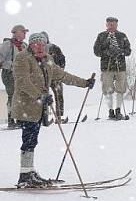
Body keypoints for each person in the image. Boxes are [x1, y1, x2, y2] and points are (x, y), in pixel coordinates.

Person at [11, 32, 94, 187]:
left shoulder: (48, 59)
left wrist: (84, 83)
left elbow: (63, 75)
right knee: (29, 140)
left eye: (43, 44)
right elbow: (23, 82)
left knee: (32, 140)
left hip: (38, 108)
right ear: (31, 45)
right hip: (26, 106)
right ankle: (25, 176)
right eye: (37, 44)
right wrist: (40, 95)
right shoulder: (22, 58)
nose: (41, 47)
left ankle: (28, 172)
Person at [93, 17, 132, 120]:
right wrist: (106, 52)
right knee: (107, 89)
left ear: (117, 25)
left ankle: (118, 109)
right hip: (107, 67)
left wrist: (120, 51)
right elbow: (96, 51)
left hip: (120, 67)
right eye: (109, 24)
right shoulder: (101, 36)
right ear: (106, 25)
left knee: (120, 88)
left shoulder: (122, 36)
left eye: (113, 24)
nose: (111, 26)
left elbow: (128, 51)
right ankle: (110, 111)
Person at [0, 24, 28, 129]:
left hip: (20, 75)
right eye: (23, 31)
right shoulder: (8, 44)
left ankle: (20, 120)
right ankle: (11, 120)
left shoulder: (24, 46)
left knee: (20, 96)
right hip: (9, 73)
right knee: (13, 96)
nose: (25, 33)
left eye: (25, 32)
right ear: (15, 32)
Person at [41, 31, 67, 122]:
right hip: (43, 77)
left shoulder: (55, 48)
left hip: (55, 76)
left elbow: (62, 60)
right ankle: (44, 118)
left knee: (59, 95)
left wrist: (60, 70)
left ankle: (59, 116)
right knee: (43, 96)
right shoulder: (36, 49)